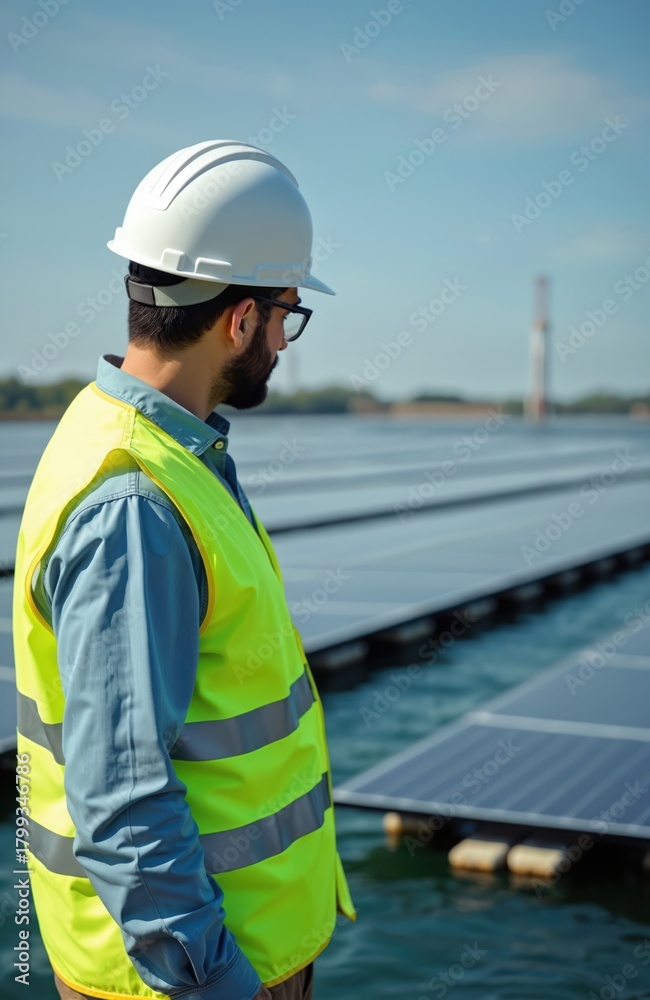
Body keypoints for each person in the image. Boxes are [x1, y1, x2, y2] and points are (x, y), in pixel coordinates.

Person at [13, 140, 356, 1000]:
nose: (284, 338)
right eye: (285, 314)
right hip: (192, 976)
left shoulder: (137, 445)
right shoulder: (136, 502)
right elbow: (125, 804)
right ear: (238, 318)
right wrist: (216, 985)